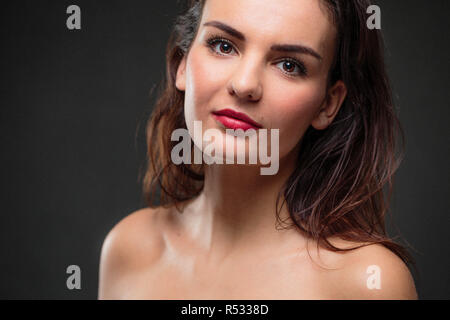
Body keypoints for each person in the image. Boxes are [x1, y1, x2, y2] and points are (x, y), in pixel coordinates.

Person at [98, 0, 418, 299]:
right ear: (182, 63)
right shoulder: (128, 249)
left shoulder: (368, 281)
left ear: (327, 103)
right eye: (223, 45)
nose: (246, 84)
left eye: (290, 65)